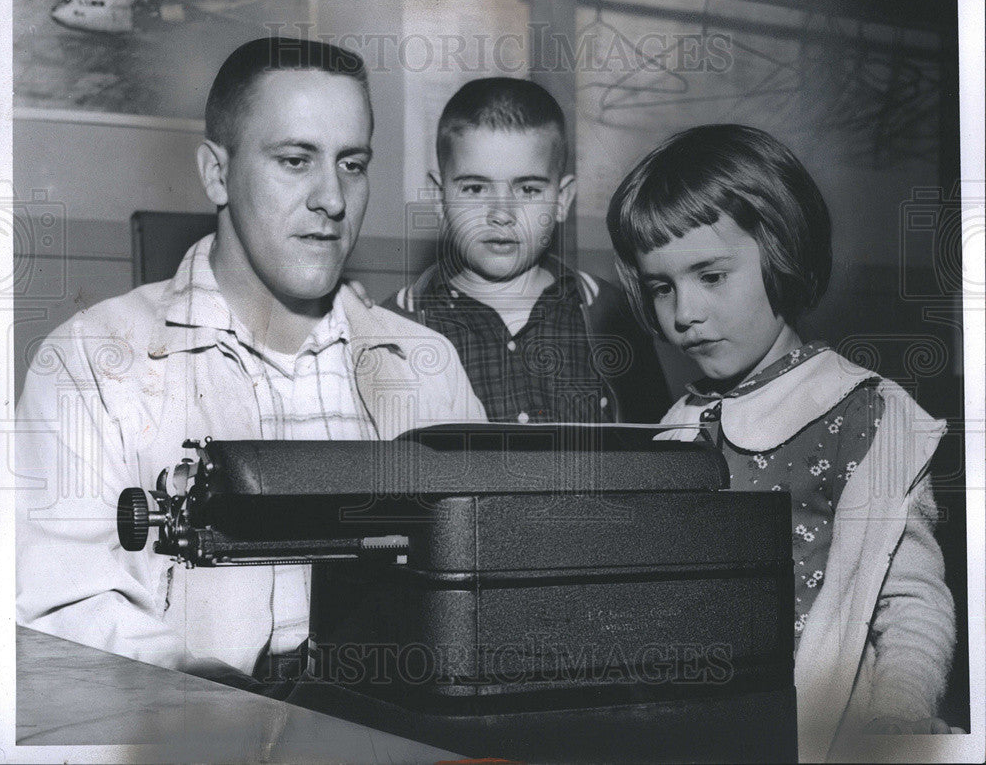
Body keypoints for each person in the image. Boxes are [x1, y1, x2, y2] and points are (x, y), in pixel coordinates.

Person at [15, 37, 486, 688]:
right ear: (216, 172)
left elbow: (487, 585)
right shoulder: (91, 361)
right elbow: (57, 617)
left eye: (352, 164)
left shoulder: (430, 365)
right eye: (295, 160)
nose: (332, 198)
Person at [604, 124, 957, 759]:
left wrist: (894, 728)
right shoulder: (675, 423)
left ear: (782, 251)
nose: (684, 312)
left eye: (710, 276)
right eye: (662, 287)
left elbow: (912, 604)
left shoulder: (865, 413)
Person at [385, 77, 671, 425]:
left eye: (529, 189)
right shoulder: (392, 327)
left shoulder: (612, 315)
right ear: (438, 198)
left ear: (562, 200)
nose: (502, 214)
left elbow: (654, 452)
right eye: (475, 188)